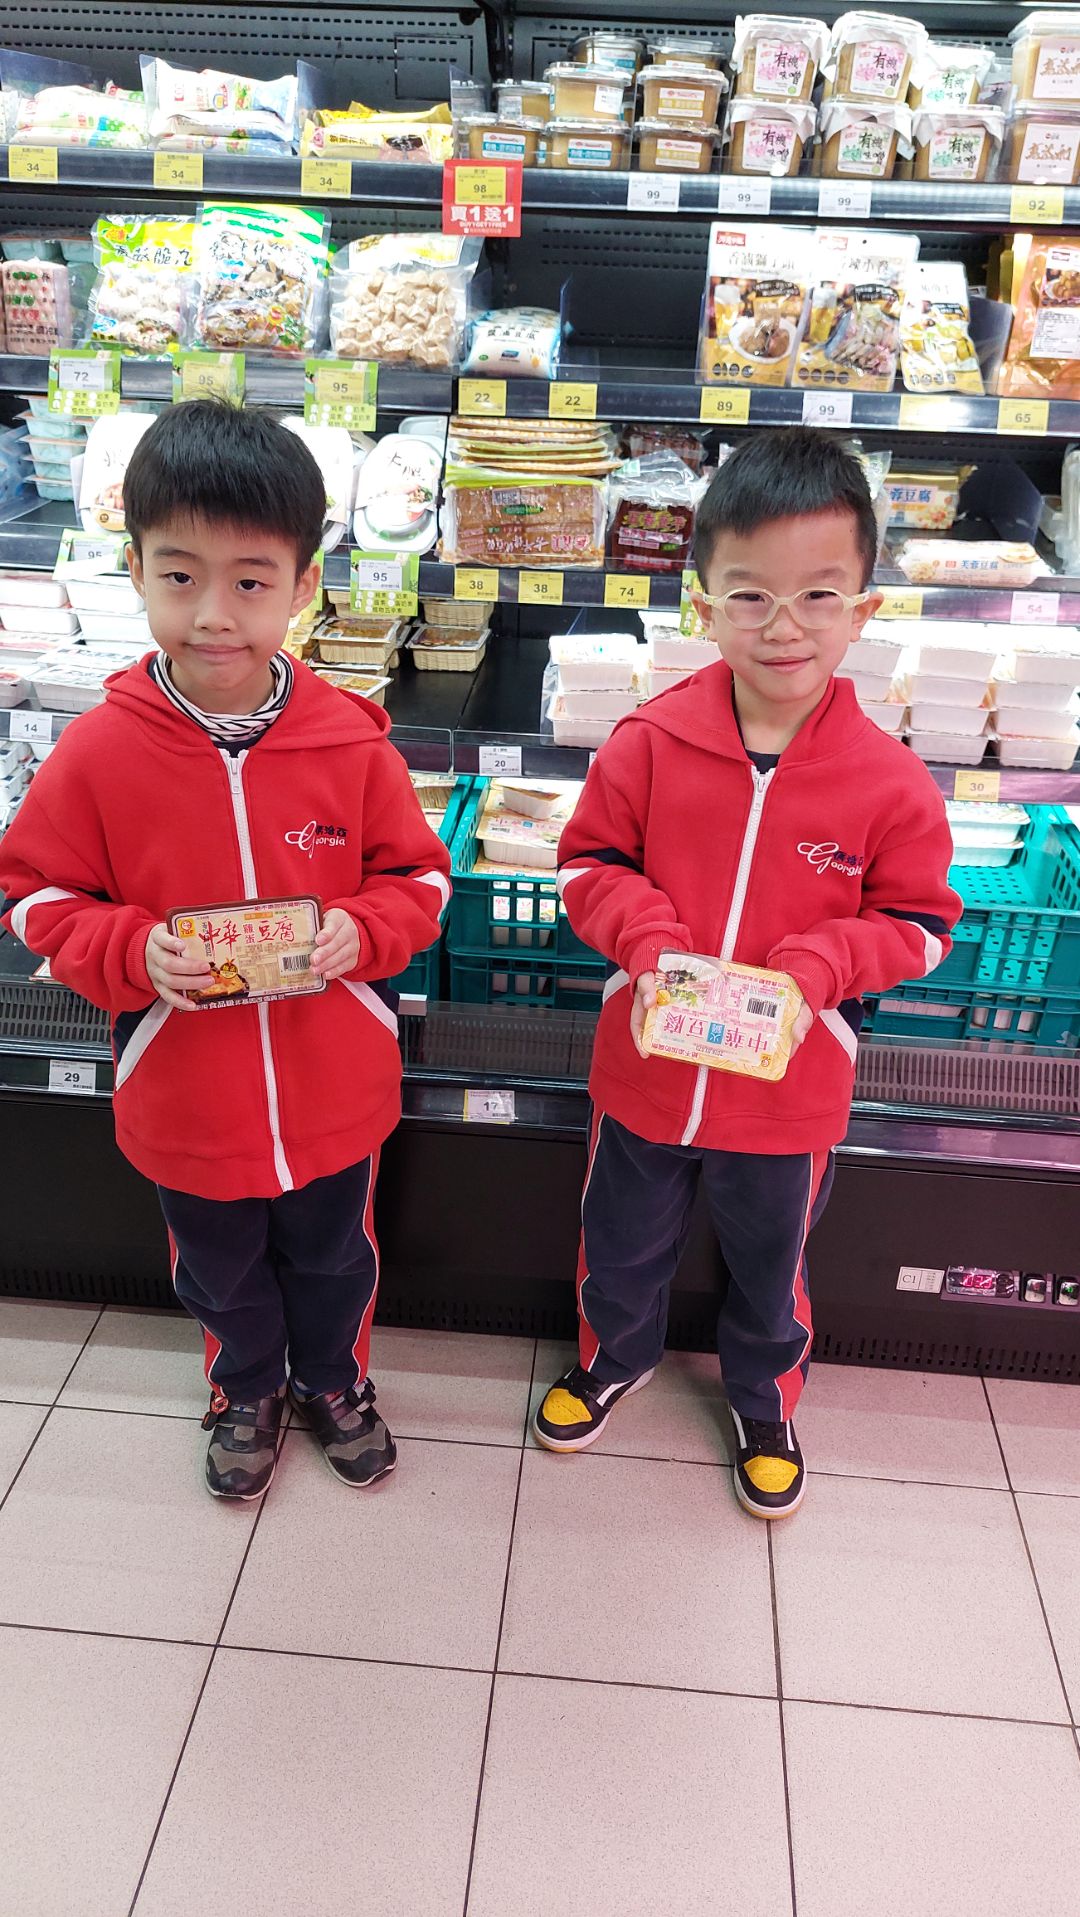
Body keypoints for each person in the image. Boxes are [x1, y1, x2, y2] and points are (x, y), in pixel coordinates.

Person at [0, 400, 451, 1502]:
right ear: (135, 569)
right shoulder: (99, 753)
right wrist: (130, 949)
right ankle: (244, 1386)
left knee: (335, 1256)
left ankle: (334, 1378)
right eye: (179, 575)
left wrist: (366, 929)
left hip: (334, 1083)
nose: (213, 614)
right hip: (185, 1090)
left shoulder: (351, 742)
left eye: (251, 581)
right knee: (218, 1266)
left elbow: (422, 880)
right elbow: (32, 893)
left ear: (304, 585)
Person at [534, 427, 961, 1519]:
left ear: (864, 609)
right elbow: (585, 865)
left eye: (819, 596)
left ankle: (765, 1397)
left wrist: (824, 962)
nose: (785, 626)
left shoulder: (891, 783)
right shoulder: (647, 741)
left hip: (790, 1092)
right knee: (620, 1238)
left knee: (773, 1261)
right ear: (704, 606)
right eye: (751, 596)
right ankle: (613, 1355)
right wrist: (646, 938)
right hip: (646, 1072)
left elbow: (922, 925)